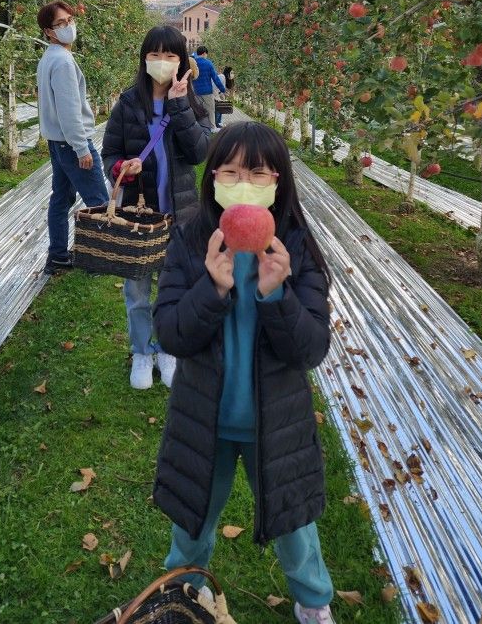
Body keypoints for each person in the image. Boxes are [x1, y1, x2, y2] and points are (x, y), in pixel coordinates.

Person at [152, 120, 336, 624]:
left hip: (272, 420)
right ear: (212, 179)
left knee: (294, 525)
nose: (243, 183)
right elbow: (170, 332)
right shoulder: (192, 241)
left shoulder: (295, 248)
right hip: (204, 418)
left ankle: (313, 603)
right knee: (191, 522)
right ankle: (181, 594)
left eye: (257, 174)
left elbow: (311, 348)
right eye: (230, 171)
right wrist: (209, 289)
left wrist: (278, 294)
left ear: (278, 182)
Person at [102, 26, 211, 390]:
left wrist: (179, 106)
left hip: (179, 218)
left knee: (171, 289)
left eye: (170, 56)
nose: (161, 62)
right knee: (136, 291)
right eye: (154, 54)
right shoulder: (128, 104)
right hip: (137, 217)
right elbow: (110, 154)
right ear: (144, 59)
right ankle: (141, 351)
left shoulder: (194, 104)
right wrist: (120, 169)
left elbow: (200, 154)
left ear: (182, 62)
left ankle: (166, 349)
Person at [36, 0, 109, 275]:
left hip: (57, 142)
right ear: (49, 31)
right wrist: (82, 148)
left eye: (70, 20)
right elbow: (68, 111)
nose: (68, 26)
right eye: (61, 23)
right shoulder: (63, 62)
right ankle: (100, 258)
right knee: (98, 201)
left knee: (61, 199)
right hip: (70, 143)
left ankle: (56, 256)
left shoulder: (49, 58)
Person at [191, 45, 226, 128]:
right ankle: (212, 127)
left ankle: (198, 126)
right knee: (210, 110)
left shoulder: (193, 63)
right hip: (207, 92)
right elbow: (215, 78)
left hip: (195, 92)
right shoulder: (208, 63)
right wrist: (222, 89)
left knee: (197, 110)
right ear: (204, 53)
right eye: (206, 54)